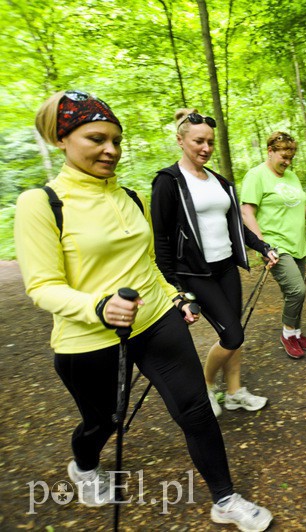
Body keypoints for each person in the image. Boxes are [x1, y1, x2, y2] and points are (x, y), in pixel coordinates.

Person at [15, 90, 271, 530]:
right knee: (104, 421)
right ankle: (85, 467)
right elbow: (42, 287)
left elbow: (149, 264)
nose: (110, 149)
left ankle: (225, 499)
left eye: (116, 139)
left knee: (196, 410)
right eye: (96, 138)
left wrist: (173, 296)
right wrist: (97, 306)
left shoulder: (129, 197)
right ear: (62, 140)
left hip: (156, 322)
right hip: (87, 339)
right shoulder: (42, 203)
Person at [151, 108, 278, 418]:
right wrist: (173, 287)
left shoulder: (220, 182)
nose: (205, 148)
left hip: (225, 268)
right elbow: (162, 238)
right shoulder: (168, 182)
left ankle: (234, 393)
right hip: (195, 273)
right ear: (180, 140)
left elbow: (235, 223)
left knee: (235, 334)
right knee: (233, 335)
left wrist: (261, 246)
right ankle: (206, 385)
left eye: (209, 142)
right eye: (198, 141)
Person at [240, 132, 306, 359]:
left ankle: (297, 333)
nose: (288, 162)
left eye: (291, 157)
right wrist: (262, 246)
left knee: (297, 294)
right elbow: (246, 212)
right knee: (296, 290)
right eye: (283, 156)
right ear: (270, 151)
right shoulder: (256, 176)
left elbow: (299, 207)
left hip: (297, 244)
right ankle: (287, 334)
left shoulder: (291, 177)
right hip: (275, 245)